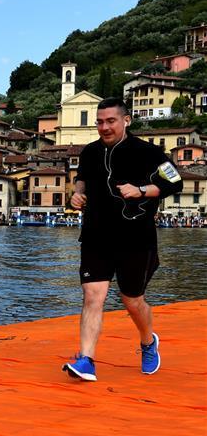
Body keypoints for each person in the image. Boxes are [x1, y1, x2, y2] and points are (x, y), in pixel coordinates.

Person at [63, 98, 182, 382]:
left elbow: (175, 181)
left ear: (126, 120)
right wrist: (77, 194)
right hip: (95, 236)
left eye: (110, 121)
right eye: (100, 121)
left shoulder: (149, 152)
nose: (104, 127)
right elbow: (82, 179)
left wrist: (141, 190)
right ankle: (86, 360)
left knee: (132, 301)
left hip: (136, 238)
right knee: (92, 296)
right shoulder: (90, 153)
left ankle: (147, 341)